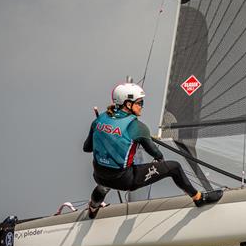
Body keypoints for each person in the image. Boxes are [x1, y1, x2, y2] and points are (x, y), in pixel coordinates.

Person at [83, 82, 222, 218]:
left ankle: (93, 208)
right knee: (174, 167)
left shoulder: (99, 120)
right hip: (125, 180)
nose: (142, 107)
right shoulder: (138, 127)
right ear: (128, 104)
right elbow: (156, 153)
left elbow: (87, 148)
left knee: (103, 185)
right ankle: (199, 198)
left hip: (99, 176)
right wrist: (159, 159)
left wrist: (107, 138)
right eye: (140, 103)